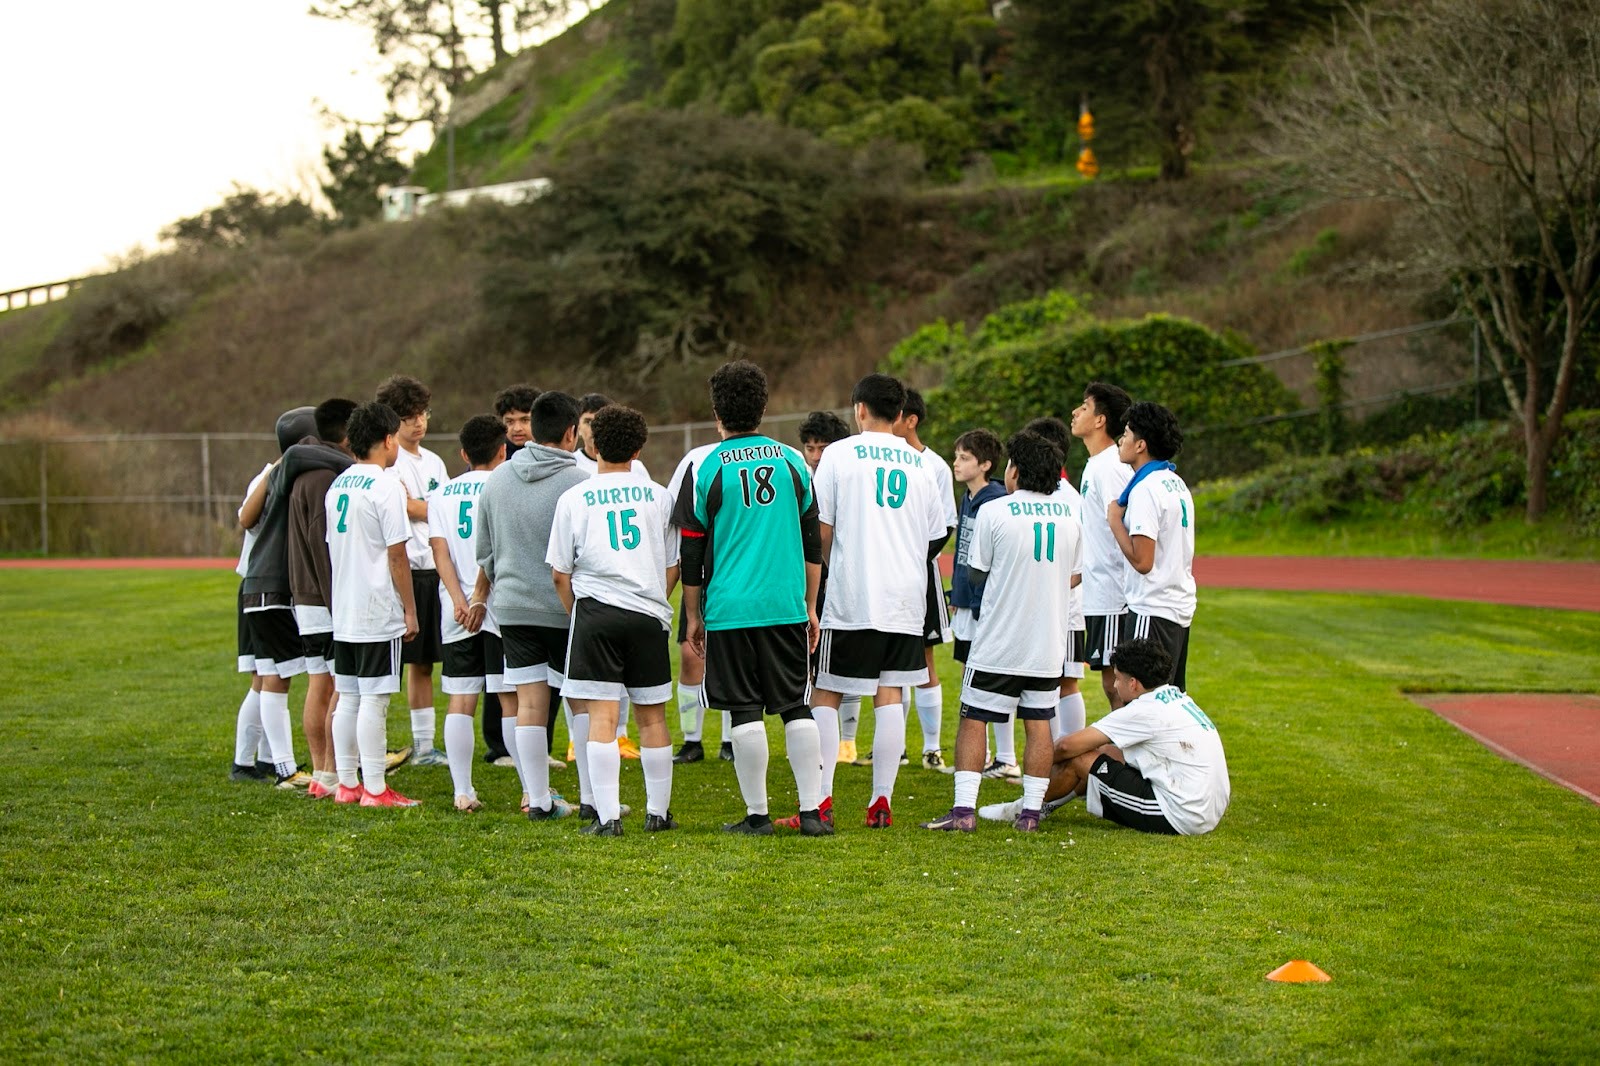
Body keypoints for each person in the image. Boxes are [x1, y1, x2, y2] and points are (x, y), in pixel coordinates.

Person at [677, 361, 829, 836]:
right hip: (784, 605)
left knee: (744, 708)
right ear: (763, 407)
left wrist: (693, 615)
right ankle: (811, 814)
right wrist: (810, 605)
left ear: (716, 412)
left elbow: (692, 549)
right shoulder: (792, 462)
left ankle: (758, 816)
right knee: (795, 705)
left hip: (729, 609)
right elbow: (812, 542)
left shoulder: (703, 466)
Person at [924, 430, 1081, 833]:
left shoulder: (996, 512)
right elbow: (1075, 575)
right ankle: (1030, 814)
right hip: (1047, 643)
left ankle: (963, 812)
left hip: (999, 641)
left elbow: (976, 573)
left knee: (974, 718)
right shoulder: (1069, 516)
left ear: (1015, 471)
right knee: (1038, 722)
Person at [810, 373, 948, 828]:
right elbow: (934, 538)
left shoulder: (838, 454)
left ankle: (822, 798)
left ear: (860, 410)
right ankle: (881, 801)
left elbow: (822, 529)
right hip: (906, 599)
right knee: (889, 695)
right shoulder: (921, 465)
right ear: (899, 413)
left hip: (853, 595)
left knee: (826, 693)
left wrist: (833, 570)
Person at [547, 405, 680, 836]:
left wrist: (579, 615)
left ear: (592, 445)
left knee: (602, 717)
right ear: (639, 449)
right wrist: (655, 598)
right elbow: (674, 564)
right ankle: (657, 813)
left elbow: (559, 572)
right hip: (648, 615)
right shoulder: (660, 497)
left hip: (596, 614)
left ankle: (607, 818)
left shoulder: (574, 498)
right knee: (652, 718)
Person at [471, 391, 588, 820]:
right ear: (571, 432)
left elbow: (484, 551)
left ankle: (537, 800)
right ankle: (595, 799)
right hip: (564, 607)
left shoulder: (497, 479)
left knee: (529, 704)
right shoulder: (579, 484)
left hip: (514, 608)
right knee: (582, 703)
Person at [1023, 638, 1229, 835]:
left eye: (1117, 678)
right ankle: (1045, 804)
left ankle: (1028, 806)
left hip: (1181, 815)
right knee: (1106, 752)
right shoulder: (1176, 697)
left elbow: (1066, 747)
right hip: (1209, 811)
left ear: (1133, 684)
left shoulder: (1143, 710)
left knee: (1080, 757)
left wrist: (1038, 766)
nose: (1114, 685)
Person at [325, 401, 421, 808]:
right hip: (376, 607)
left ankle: (347, 784)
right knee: (375, 699)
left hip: (344, 607)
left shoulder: (339, 485)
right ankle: (377, 790)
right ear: (387, 440)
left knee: (348, 696)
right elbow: (397, 554)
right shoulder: (384, 486)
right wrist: (410, 609)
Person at [237, 405, 336, 789]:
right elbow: (246, 517)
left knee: (265, 678)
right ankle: (284, 768)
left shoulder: (277, 472)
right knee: (277, 679)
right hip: (275, 586)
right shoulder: (288, 470)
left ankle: (248, 761)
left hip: (254, 585)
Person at [429, 415, 513, 812]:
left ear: (463, 454)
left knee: (461, 699)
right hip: (497, 605)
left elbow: (439, 551)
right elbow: (492, 546)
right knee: (508, 697)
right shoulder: (504, 486)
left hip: (455, 610)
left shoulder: (442, 493)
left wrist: (459, 599)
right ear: (503, 450)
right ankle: (532, 792)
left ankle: (462, 791)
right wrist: (480, 596)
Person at [374, 375, 450, 767]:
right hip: (403, 571)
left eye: (423, 414)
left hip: (434, 571)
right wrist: (428, 507)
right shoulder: (389, 462)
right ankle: (378, 745)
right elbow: (406, 507)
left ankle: (423, 746)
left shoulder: (435, 461)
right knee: (390, 666)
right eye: (409, 417)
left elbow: (442, 511)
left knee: (425, 663)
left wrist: (426, 506)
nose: (418, 423)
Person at [286, 398, 358, 800]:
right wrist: (338, 603)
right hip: (324, 598)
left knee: (320, 683)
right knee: (336, 687)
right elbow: (320, 544)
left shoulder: (303, 471)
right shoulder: (324, 477)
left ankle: (321, 772)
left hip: (306, 596)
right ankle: (331, 771)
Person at [571, 390, 648, 759]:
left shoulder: (641, 476)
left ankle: (618, 737)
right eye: (586, 420)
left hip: (612, 601)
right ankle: (579, 738)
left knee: (620, 686)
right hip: (613, 598)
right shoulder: (572, 472)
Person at [891, 389, 958, 771]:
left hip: (921, 576)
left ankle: (931, 748)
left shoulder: (934, 466)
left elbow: (945, 524)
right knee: (892, 663)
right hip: (885, 578)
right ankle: (894, 747)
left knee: (926, 660)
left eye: (896, 415)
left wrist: (913, 558)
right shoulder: (881, 459)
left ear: (911, 419)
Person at [1107, 401, 1196, 689]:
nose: (1122, 439)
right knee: (1169, 700)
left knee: (1143, 702)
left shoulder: (1146, 489)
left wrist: (1114, 522)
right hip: (1176, 608)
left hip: (1152, 608)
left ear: (1141, 444)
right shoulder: (1175, 482)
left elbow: (1143, 562)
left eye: (1127, 433)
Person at [795, 410, 863, 768]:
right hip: (809, 579)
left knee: (844, 665)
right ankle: (813, 741)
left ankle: (847, 742)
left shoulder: (850, 476)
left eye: (823, 447)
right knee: (809, 662)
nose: (817, 455)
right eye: (810, 447)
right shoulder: (798, 478)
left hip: (845, 578)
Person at [490, 382, 547, 767]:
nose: (516, 428)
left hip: (543, 582)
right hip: (508, 586)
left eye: (524, 419)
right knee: (504, 677)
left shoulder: (553, 459)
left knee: (543, 683)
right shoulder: (496, 467)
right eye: (509, 421)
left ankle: (541, 749)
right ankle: (499, 744)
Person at [1023, 415, 1089, 744]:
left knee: (1056, 684)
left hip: (1056, 607)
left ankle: (1064, 754)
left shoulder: (1061, 497)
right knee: (1061, 682)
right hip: (1061, 608)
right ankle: (1060, 757)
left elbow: (1079, 566)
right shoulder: (1070, 496)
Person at [1070, 382, 1135, 708]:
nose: (1075, 412)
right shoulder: (1096, 463)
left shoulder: (1110, 465)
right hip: (1098, 590)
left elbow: (1122, 525)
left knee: (1118, 683)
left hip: (1113, 592)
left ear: (1100, 420)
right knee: (1110, 682)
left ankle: (1129, 754)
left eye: (1084, 406)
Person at [664, 432, 723, 764]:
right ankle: (692, 740)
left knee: (734, 661)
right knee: (690, 656)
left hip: (738, 579)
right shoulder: (695, 460)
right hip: (699, 578)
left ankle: (730, 740)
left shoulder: (767, 454)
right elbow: (676, 518)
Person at [947, 428, 1007, 665]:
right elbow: (963, 550)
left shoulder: (995, 501)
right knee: (965, 668)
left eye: (964, 458)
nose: (956, 464)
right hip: (964, 599)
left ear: (985, 465)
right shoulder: (967, 497)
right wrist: (957, 592)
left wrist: (978, 603)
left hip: (983, 605)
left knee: (981, 670)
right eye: (956, 457)